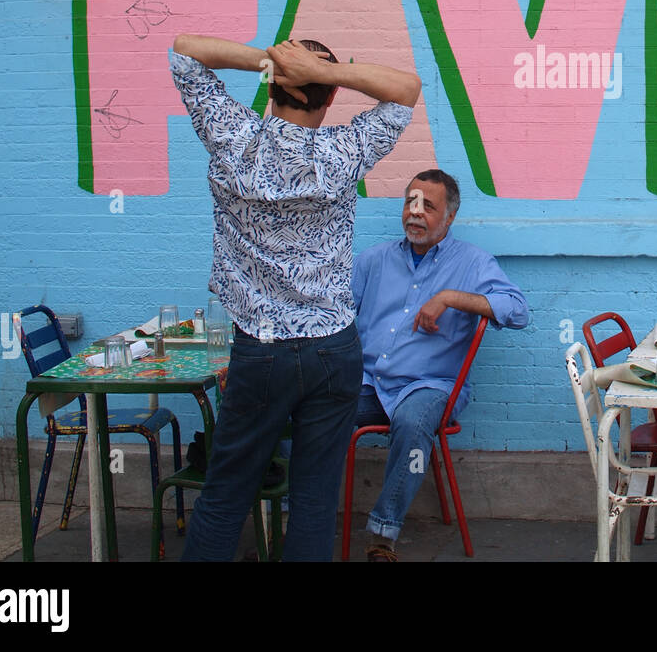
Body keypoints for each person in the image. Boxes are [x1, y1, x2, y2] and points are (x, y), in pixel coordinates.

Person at [170, 33, 420, 561]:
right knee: (314, 499)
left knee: (227, 492)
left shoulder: (233, 137)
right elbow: (406, 89)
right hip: (334, 349)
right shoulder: (341, 151)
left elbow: (184, 49)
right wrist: (322, 70)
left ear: (271, 85)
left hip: (261, 352)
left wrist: (270, 61)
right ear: (328, 98)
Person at [352, 169, 529, 561]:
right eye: (409, 203)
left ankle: (382, 535)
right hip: (367, 383)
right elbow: (332, 317)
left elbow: (517, 312)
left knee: (413, 423)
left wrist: (450, 296)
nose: (414, 213)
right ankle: (283, 514)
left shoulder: (472, 263)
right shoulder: (372, 261)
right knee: (302, 402)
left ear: (449, 217)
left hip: (429, 387)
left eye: (427, 206)